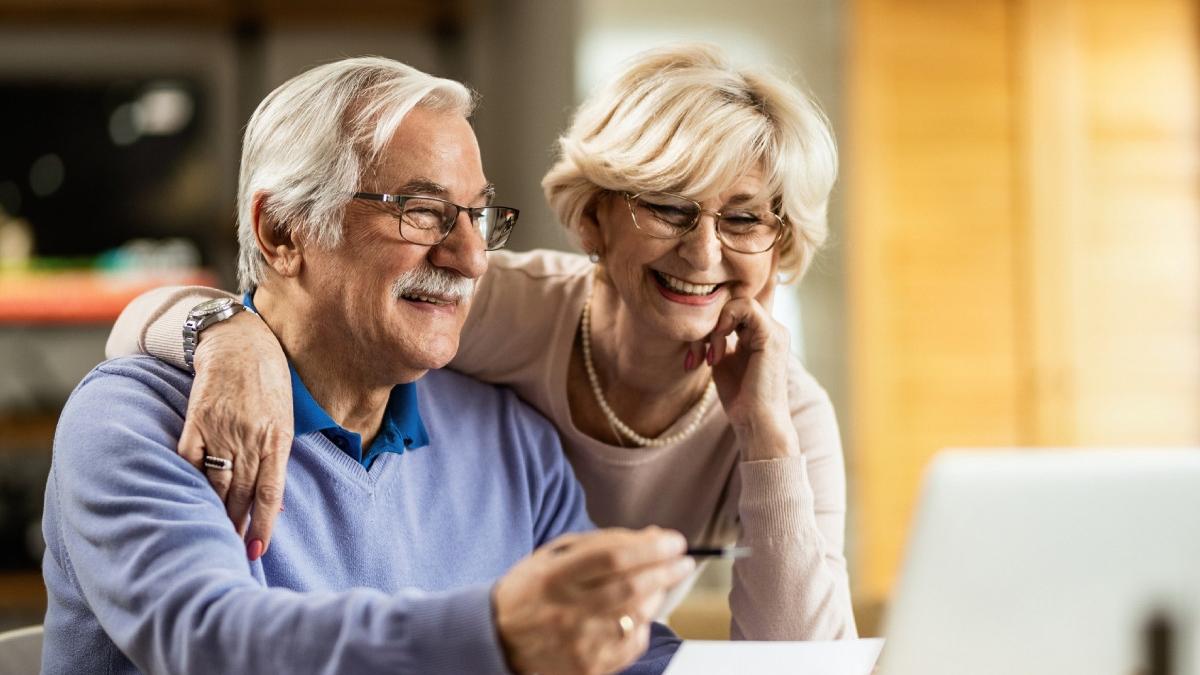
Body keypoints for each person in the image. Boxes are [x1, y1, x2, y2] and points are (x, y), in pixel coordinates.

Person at [108, 43, 856, 640]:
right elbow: (291, 307)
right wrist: (228, 333)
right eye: (668, 207)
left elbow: (795, 660)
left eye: (747, 218)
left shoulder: (782, 412)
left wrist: (764, 435)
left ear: (783, 241)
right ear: (594, 218)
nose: (704, 254)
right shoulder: (489, 301)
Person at [44, 56, 694, 675]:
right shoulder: (135, 419)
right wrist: (494, 633)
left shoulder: (510, 438)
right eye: (423, 211)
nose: (469, 258)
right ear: (282, 232)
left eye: (477, 216)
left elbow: (621, 650)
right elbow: (218, 644)